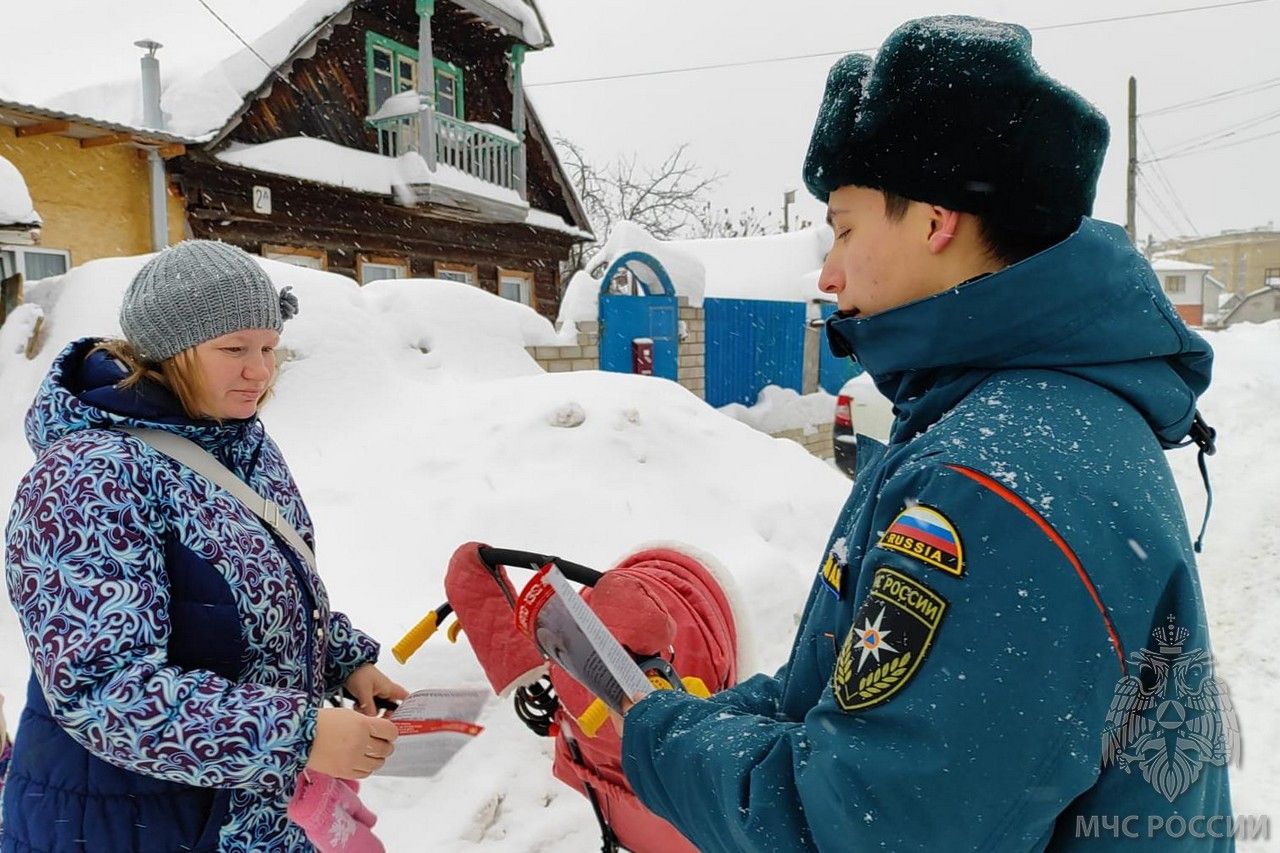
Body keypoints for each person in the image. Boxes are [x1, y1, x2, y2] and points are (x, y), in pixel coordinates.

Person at [615, 16, 1234, 852]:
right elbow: (847, 689)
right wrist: (690, 715)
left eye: (843, 227)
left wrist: (654, 740)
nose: (827, 271)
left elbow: (859, 825)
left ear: (937, 221)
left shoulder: (996, 480)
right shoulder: (1007, 415)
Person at [3, 240, 407, 851]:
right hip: (129, 822)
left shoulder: (238, 440)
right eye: (234, 349)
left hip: (254, 815)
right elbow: (103, 689)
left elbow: (255, 592)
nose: (260, 371)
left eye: (269, 347)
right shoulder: (86, 476)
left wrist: (344, 661)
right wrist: (296, 736)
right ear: (169, 351)